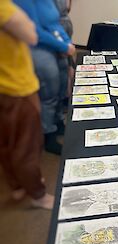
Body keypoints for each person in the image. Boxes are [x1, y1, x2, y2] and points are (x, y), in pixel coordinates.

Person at [0, 0, 54, 209]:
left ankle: (17, 187)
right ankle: (38, 194)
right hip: (17, 88)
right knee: (27, 145)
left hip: (6, 88)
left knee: (6, 143)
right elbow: (31, 34)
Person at [14, 0, 76, 155]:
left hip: (56, 45)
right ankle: (48, 134)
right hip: (37, 47)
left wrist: (67, 43)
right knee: (49, 92)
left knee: (62, 85)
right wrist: (63, 46)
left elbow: (55, 24)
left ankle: (58, 122)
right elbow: (35, 31)